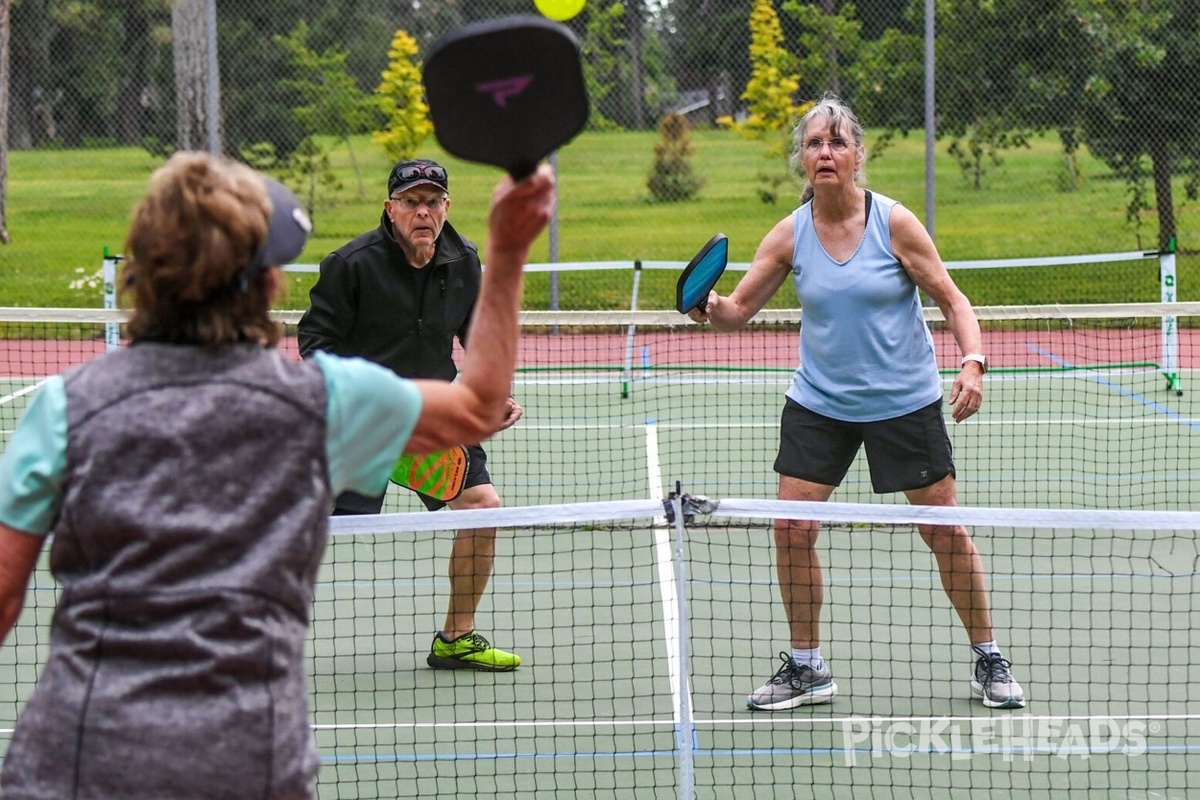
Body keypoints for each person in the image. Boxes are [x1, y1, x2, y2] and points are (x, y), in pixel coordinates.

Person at [0, 151, 554, 798]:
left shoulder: (62, 409)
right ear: (269, 284)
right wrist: (510, 251)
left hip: (71, 760)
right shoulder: (323, 404)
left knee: (480, 504)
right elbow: (480, 405)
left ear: (143, 274)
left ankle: (457, 635)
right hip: (249, 763)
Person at [688, 95, 1026, 711]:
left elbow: (953, 299)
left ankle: (988, 656)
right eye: (815, 143)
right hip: (820, 403)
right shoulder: (790, 234)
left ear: (857, 157)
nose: (825, 152)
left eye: (837, 143)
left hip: (904, 402)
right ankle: (808, 666)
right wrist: (708, 307)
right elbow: (736, 314)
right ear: (803, 158)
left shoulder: (893, 223)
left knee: (944, 533)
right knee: (791, 529)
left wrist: (973, 361)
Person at [297, 158, 523, 673]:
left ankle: (456, 637)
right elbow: (315, 343)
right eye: (411, 202)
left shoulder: (464, 261)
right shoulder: (351, 264)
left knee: (484, 508)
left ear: (446, 206)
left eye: (432, 201)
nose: (422, 211)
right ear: (390, 208)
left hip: (430, 418)